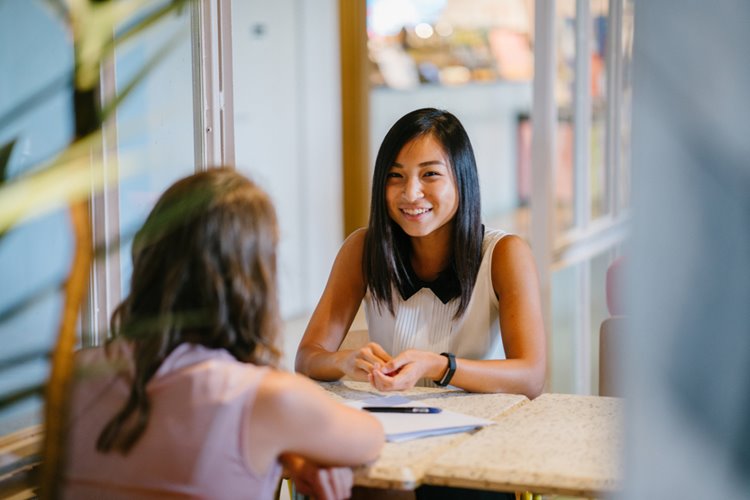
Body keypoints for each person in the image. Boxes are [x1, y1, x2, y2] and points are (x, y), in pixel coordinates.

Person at [63, 168, 384, 499]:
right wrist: (289, 445)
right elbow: (371, 437)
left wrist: (284, 449)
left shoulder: (74, 374)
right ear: (251, 279)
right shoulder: (267, 396)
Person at [296, 108, 546, 397]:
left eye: (430, 174)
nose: (411, 193)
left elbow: (531, 377)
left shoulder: (504, 254)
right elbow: (306, 359)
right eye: (395, 175)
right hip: (393, 424)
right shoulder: (362, 249)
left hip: (484, 428)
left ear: (462, 179)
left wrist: (438, 366)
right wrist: (344, 360)